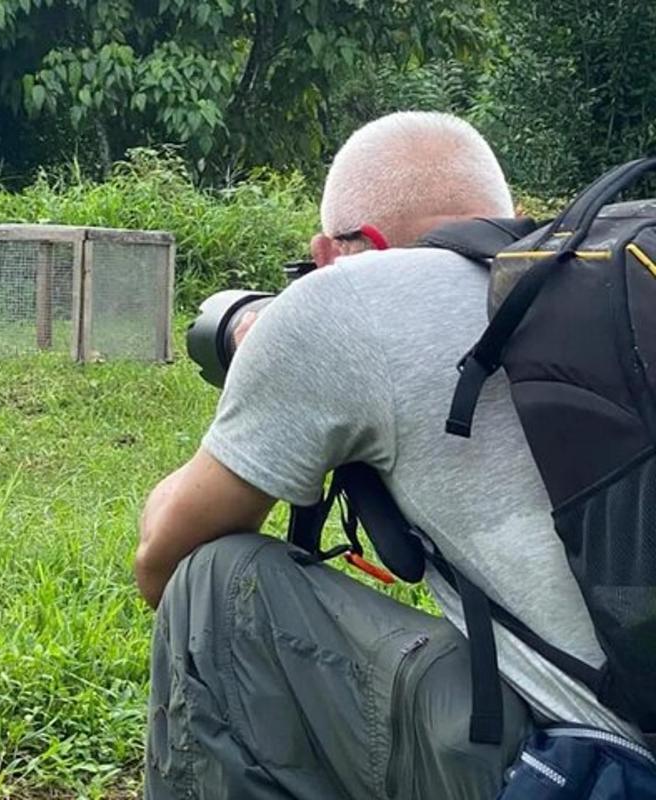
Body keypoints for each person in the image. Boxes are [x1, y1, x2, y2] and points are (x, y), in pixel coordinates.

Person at [135, 111, 644, 799]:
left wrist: (271, 351)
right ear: (513, 217)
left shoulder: (348, 298)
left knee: (212, 582)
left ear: (336, 251)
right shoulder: (594, 285)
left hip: (596, 772)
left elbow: (160, 562)